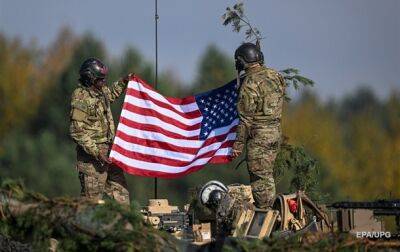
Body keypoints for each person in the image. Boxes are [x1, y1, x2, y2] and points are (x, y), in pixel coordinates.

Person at [69, 57, 133, 205]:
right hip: (92, 160)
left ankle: (123, 227)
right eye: (100, 79)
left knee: (122, 198)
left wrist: (124, 81)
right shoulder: (80, 98)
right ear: (90, 79)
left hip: (110, 152)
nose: (104, 82)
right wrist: (97, 152)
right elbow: (76, 130)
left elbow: (110, 95)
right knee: (90, 204)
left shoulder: (101, 91)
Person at [230, 43, 286, 209]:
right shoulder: (276, 75)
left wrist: (238, 145)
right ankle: (270, 209)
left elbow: (245, 119)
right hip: (275, 132)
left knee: (260, 177)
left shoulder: (249, 84)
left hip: (259, 137)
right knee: (267, 174)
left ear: (241, 62)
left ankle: (266, 215)